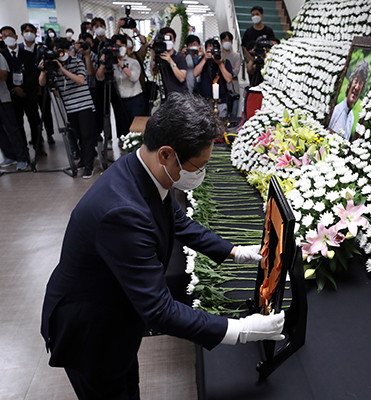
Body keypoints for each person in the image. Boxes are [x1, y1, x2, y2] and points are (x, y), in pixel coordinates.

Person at [41, 92, 285, 399]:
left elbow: (179, 222)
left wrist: (236, 253)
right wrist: (239, 330)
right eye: (198, 166)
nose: (200, 174)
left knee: (128, 384)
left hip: (118, 318)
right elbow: (159, 309)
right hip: (91, 332)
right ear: (167, 154)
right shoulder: (123, 212)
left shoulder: (145, 169)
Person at [39, 38, 97, 178]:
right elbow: (42, 84)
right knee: (76, 137)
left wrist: (62, 69)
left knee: (86, 137)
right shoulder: (52, 65)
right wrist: (43, 70)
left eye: (62, 50)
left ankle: (89, 166)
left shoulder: (77, 62)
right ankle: (83, 161)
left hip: (84, 106)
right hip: (69, 107)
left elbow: (81, 80)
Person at [0, 26, 43, 155]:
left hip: (28, 93)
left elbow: (33, 74)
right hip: (12, 94)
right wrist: (15, 89)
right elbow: (4, 76)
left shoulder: (28, 54)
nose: (8, 38)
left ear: (16, 36)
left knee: (34, 121)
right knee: (17, 123)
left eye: (10, 35)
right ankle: (23, 149)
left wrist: (23, 88)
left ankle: (38, 146)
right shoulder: (3, 55)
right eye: (4, 36)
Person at [19, 23, 55, 146]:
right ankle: (37, 136)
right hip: (28, 86)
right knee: (32, 114)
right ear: (22, 33)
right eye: (26, 31)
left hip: (42, 84)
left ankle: (50, 134)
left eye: (31, 31)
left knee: (46, 110)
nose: (29, 33)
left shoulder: (41, 48)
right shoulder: (19, 49)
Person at [97, 34, 145, 125]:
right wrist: (103, 64)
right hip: (121, 101)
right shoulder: (111, 63)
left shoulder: (133, 62)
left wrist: (121, 65)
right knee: (124, 128)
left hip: (135, 100)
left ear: (125, 47)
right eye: (115, 46)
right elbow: (99, 77)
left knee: (137, 127)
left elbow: (134, 77)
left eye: (120, 46)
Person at [0, 52, 29, 170]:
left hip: (2, 99)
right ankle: (10, 155)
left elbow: (4, 75)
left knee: (12, 128)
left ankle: (22, 157)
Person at [328, 59, 369, 140]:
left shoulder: (352, 117)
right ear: (350, 83)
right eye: (356, 81)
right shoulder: (337, 111)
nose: (357, 87)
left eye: (360, 83)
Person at [193, 38, 233, 118]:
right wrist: (204, 58)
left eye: (214, 51)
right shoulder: (202, 61)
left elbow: (229, 79)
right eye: (210, 51)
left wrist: (220, 64)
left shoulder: (225, 62)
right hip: (205, 101)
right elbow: (195, 73)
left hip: (221, 101)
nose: (212, 54)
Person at [150, 27, 187, 95]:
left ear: (174, 41)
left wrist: (170, 61)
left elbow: (182, 78)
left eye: (170, 39)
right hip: (168, 96)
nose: (168, 42)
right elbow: (153, 73)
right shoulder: (161, 57)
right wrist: (153, 53)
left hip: (181, 96)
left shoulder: (179, 57)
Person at [220, 31, 242, 118]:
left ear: (232, 42)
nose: (227, 42)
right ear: (221, 41)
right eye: (225, 40)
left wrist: (223, 69)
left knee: (233, 115)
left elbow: (235, 72)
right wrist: (229, 68)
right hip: (222, 89)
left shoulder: (236, 56)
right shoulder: (219, 55)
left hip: (234, 89)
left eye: (229, 40)